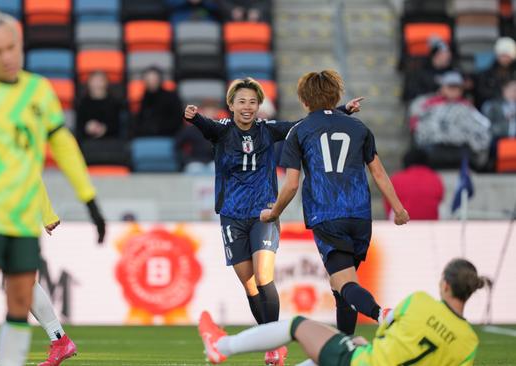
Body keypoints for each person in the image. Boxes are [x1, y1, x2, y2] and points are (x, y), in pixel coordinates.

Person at [0, 8, 105, 366]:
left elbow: (43, 160)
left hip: (14, 213)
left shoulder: (30, 95)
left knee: (15, 292)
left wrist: (84, 203)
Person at [184, 77, 363, 365]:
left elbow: (304, 124)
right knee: (250, 283)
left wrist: (341, 111)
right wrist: (193, 117)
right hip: (232, 216)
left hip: (265, 212)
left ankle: (275, 345)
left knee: (264, 275)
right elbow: (205, 125)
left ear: (259, 106)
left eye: (253, 102)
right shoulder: (222, 131)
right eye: (241, 101)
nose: (247, 107)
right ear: (231, 105)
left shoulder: (268, 130)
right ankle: (270, 338)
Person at [260, 70, 409, 339]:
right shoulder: (359, 128)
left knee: (345, 283)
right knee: (341, 288)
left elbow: (292, 184)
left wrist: (274, 213)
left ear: (304, 100)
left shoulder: (300, 131)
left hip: (327, 215)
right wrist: (398, 208)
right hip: (360, 217)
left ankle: (381, 314)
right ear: (336, 95)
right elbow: (378, 173)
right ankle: (346, 344)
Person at [198, 258, 485, 366]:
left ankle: (221, 346)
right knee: (347, 344)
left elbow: (387, 335)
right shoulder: (469, 342)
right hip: (366, 358)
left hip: (364, 363)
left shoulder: (421, 302)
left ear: (445, 285)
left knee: (298, 325)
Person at [411, 71, 491, 168]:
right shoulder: (427, 104)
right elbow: (418, 126)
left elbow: (482, 126)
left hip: (460, 148)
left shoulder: (467, 107)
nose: (453, 90)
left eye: (456, 87)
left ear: (461, 90)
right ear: (442, 88)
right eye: (450, 87)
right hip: (435, 147)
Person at [384, 148, 444, 220]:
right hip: (430, 222)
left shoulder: (396, 178)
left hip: (403, 223)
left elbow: (388, 206)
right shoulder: (435, 178)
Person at [134, 66, 184, 137]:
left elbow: (177, 121)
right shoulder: (144, 98)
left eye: (154, 79)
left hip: (168, 136)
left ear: (160, 80)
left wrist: (158, 128)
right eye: (148, 80)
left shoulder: (171, 97)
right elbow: (139, 121)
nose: (151, 82)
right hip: (146, 137)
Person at [76, 70, 123, 144]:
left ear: (106, 83)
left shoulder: (114, 103)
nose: (97, 84)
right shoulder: (82, 104)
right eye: (94, 80)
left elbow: (119, 126)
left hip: (110, 142)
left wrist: (104, 129)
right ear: (89, 83)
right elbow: (78, 126)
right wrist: (87, 128)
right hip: (87, 142)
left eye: (100, 80)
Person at [402, 38, 455, 102]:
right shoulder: (419, 73)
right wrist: (436, 94)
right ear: (436, 54)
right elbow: (410, 94)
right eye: (445, 53)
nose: (449, 57)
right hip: (426, 106)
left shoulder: (452, 71)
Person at [475, 37, 516, 108]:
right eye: (503, 56)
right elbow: (481, 93)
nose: (505, 59)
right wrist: (502, 94)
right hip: (495, 105)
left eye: (508, 56)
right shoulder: (487, 74)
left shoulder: (514, 73)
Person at [481, 79, 516, 162]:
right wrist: (506, 124)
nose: (515, 93)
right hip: (498, 138)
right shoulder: (493, 105)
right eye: (513, 90)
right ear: (504, 90)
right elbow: (487, 125)